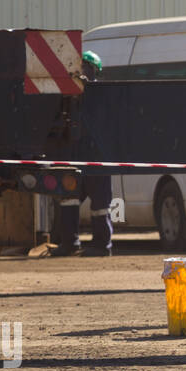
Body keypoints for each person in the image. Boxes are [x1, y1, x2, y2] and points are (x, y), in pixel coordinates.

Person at [52, 51, 114, 257]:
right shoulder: (67, 95)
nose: (85, 72)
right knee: (70, 200)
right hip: (76, 157)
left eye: (88, 67)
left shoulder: (103, 95)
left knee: (100, 205)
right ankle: (70, 243)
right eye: (82, 67)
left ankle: (101, 245)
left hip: (96, 159)